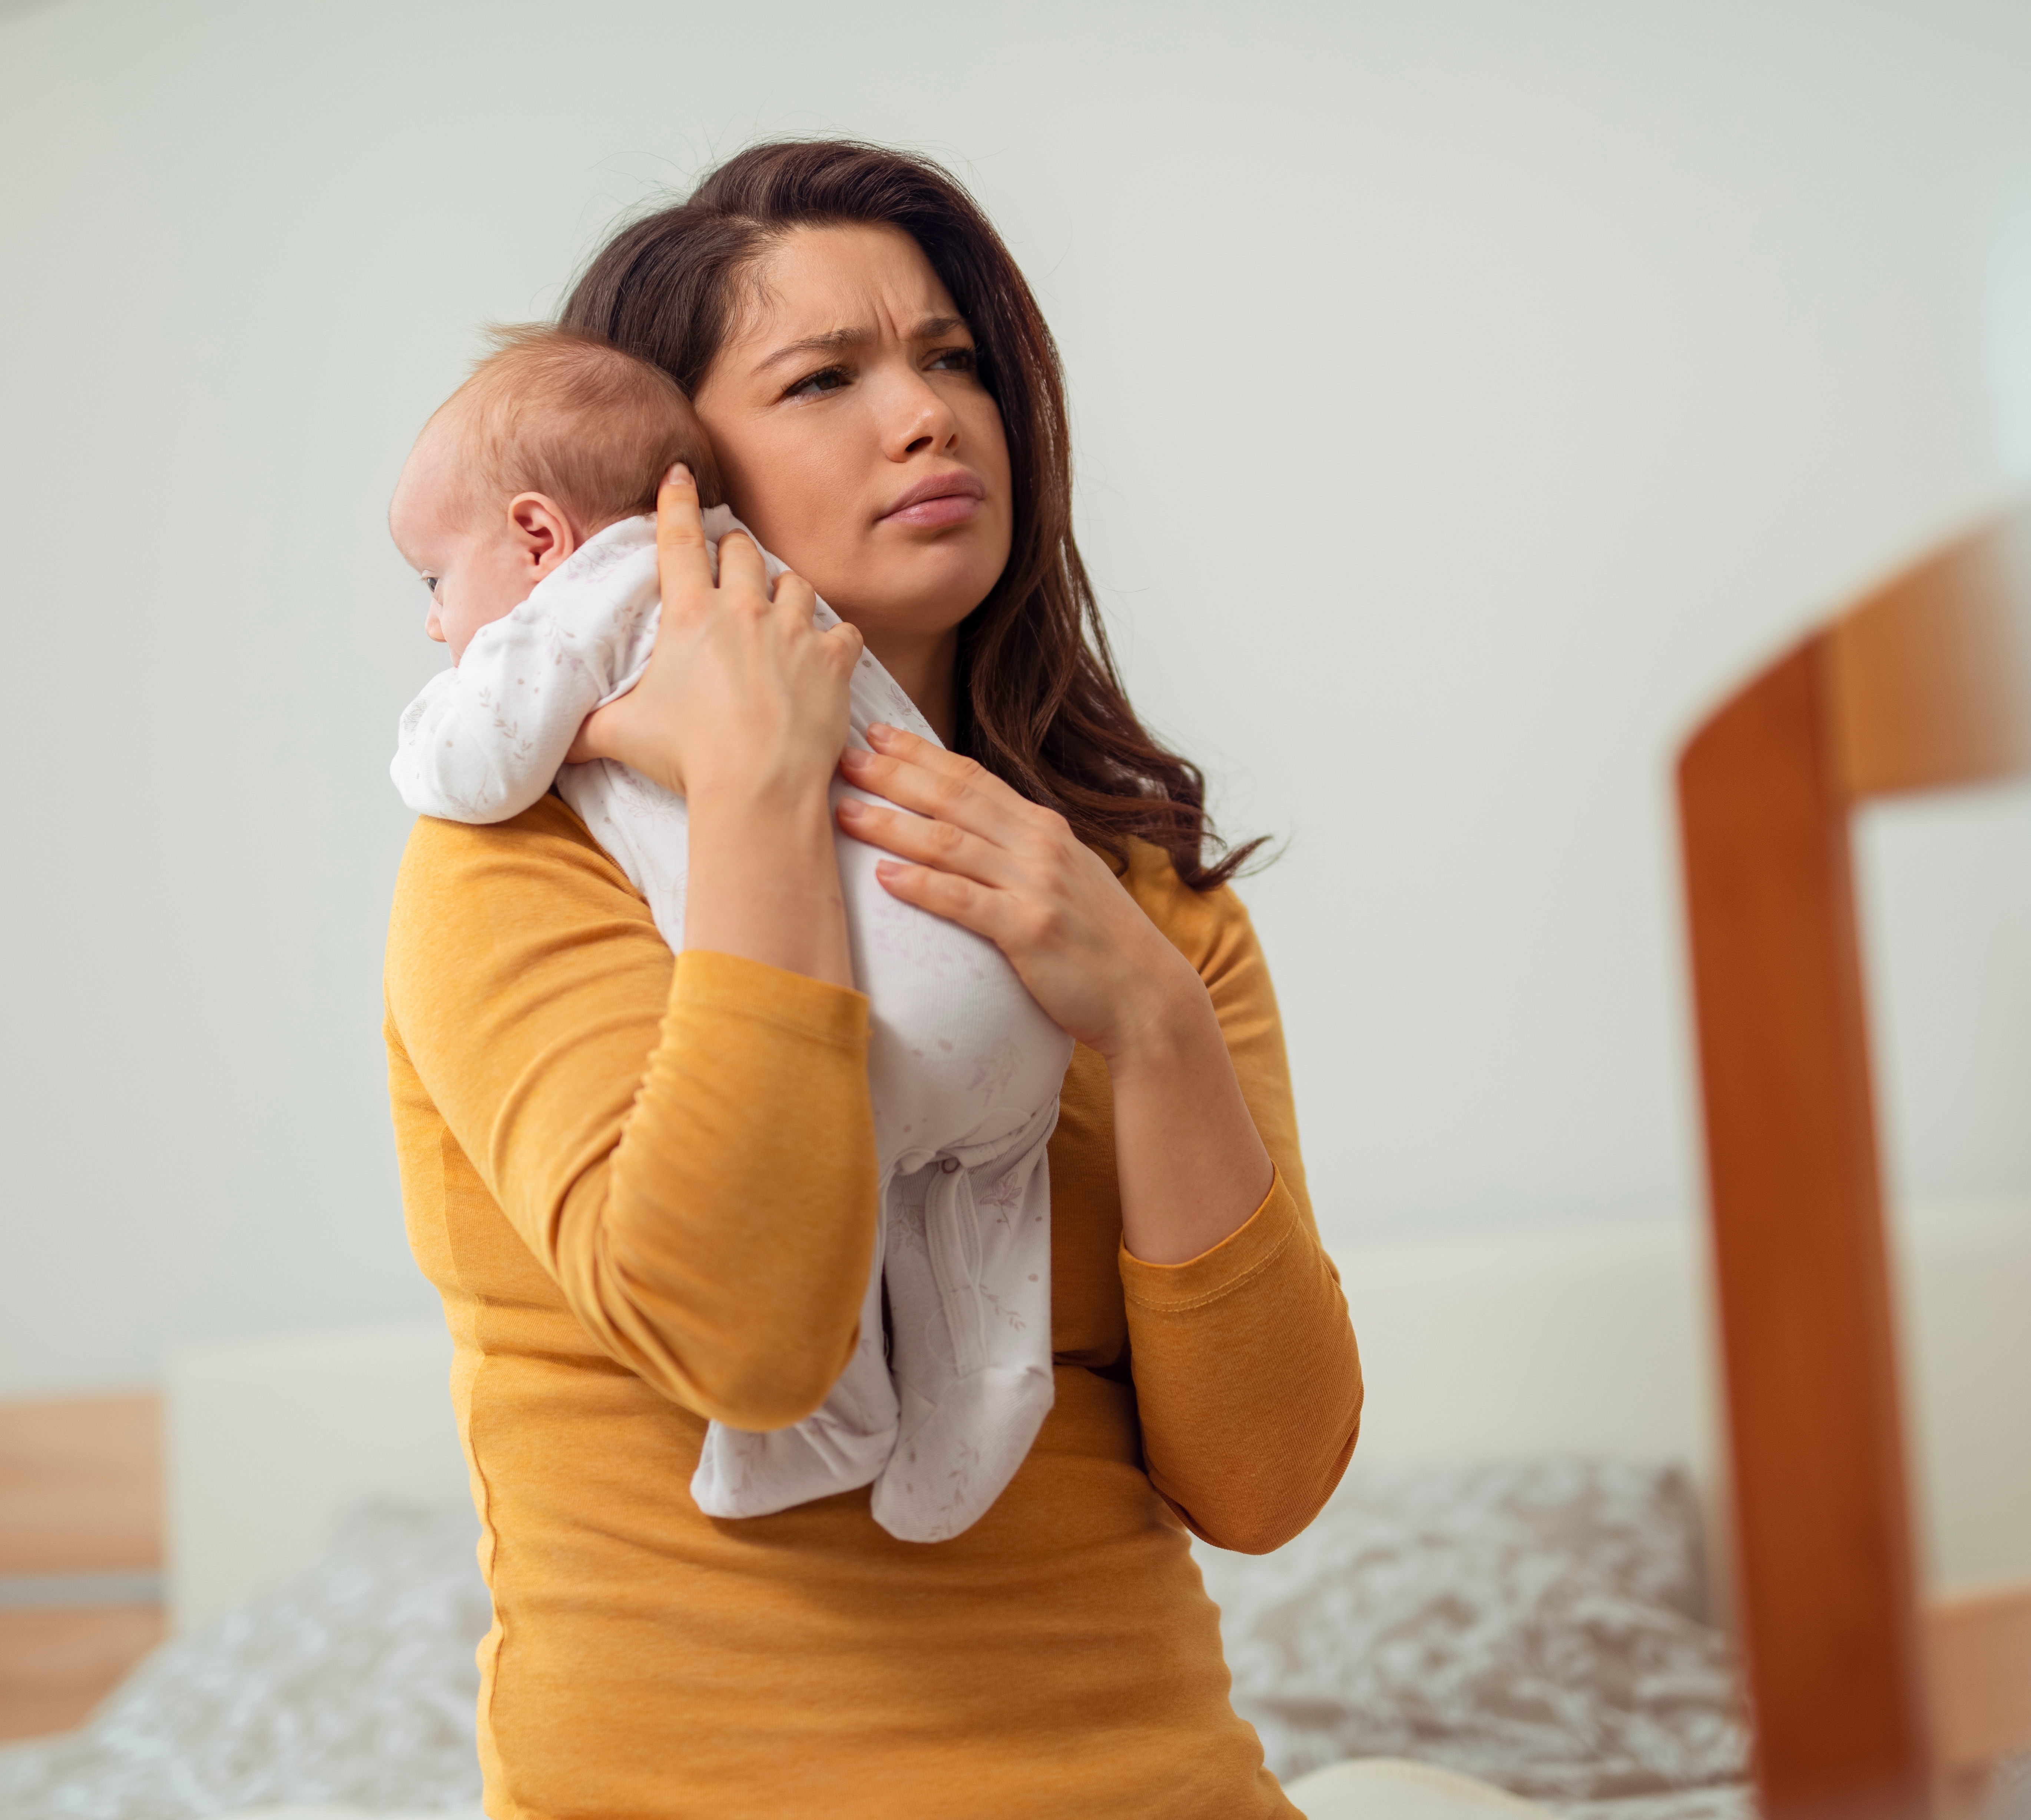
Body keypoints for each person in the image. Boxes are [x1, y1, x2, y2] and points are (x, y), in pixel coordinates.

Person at [381, 138, 1362, 1817]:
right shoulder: (517, 857)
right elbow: (744, 1344)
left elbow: (1264, 1481)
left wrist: (1146, 1013)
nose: (927, 414)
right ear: (669, 478)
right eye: (824, 377)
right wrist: (760, 787)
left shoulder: (1138, 902)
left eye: (953, 359)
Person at [383, 325, 1068, 1543]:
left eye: (438, 583)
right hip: (1007, 985)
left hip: (879, 1018)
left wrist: (588, 731)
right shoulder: (761, 580)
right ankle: (987, 1374)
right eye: (825, 377)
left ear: (539, 535)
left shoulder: (591, 596)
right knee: (980, 1208)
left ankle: (829, 1424)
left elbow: (471, 764)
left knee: (840, 1180)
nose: (441, 627)